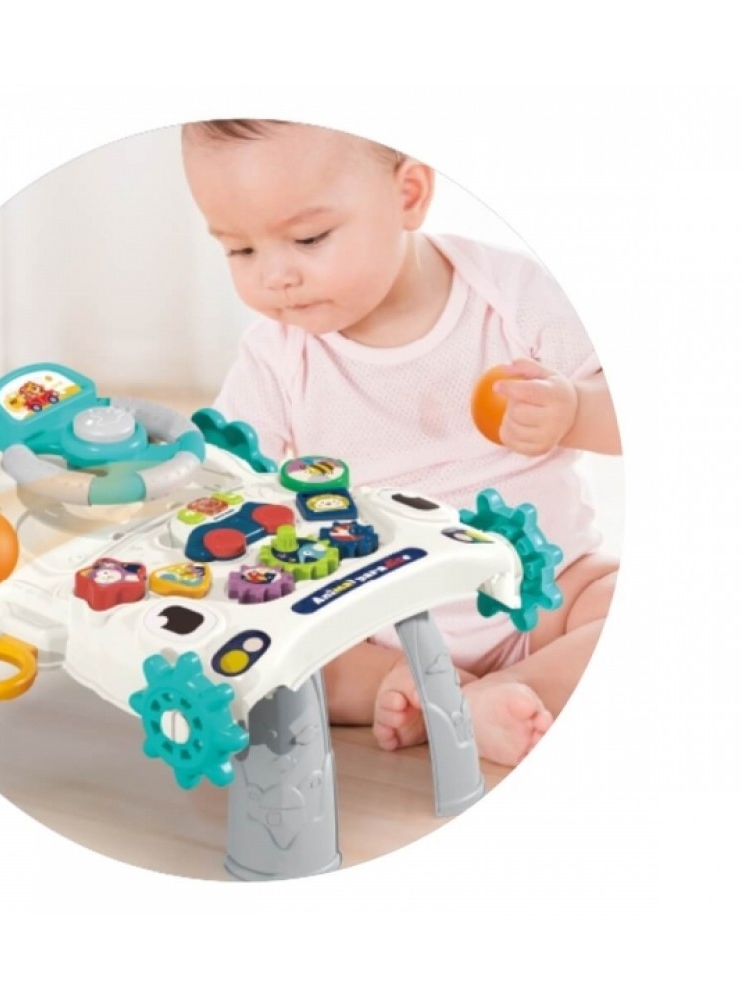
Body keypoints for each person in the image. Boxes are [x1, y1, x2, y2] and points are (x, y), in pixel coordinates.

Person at [181, 119, 620, 767]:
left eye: (308, 238)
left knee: (620, 603)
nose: (275, 276)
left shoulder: (514, 296)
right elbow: (225, 483)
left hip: (546, 596)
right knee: (255, 656)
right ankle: (409, 688)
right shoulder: (276, 356)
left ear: (409, 195)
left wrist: (575, 410)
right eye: (239, 250)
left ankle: (499, 693)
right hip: (370, 625)